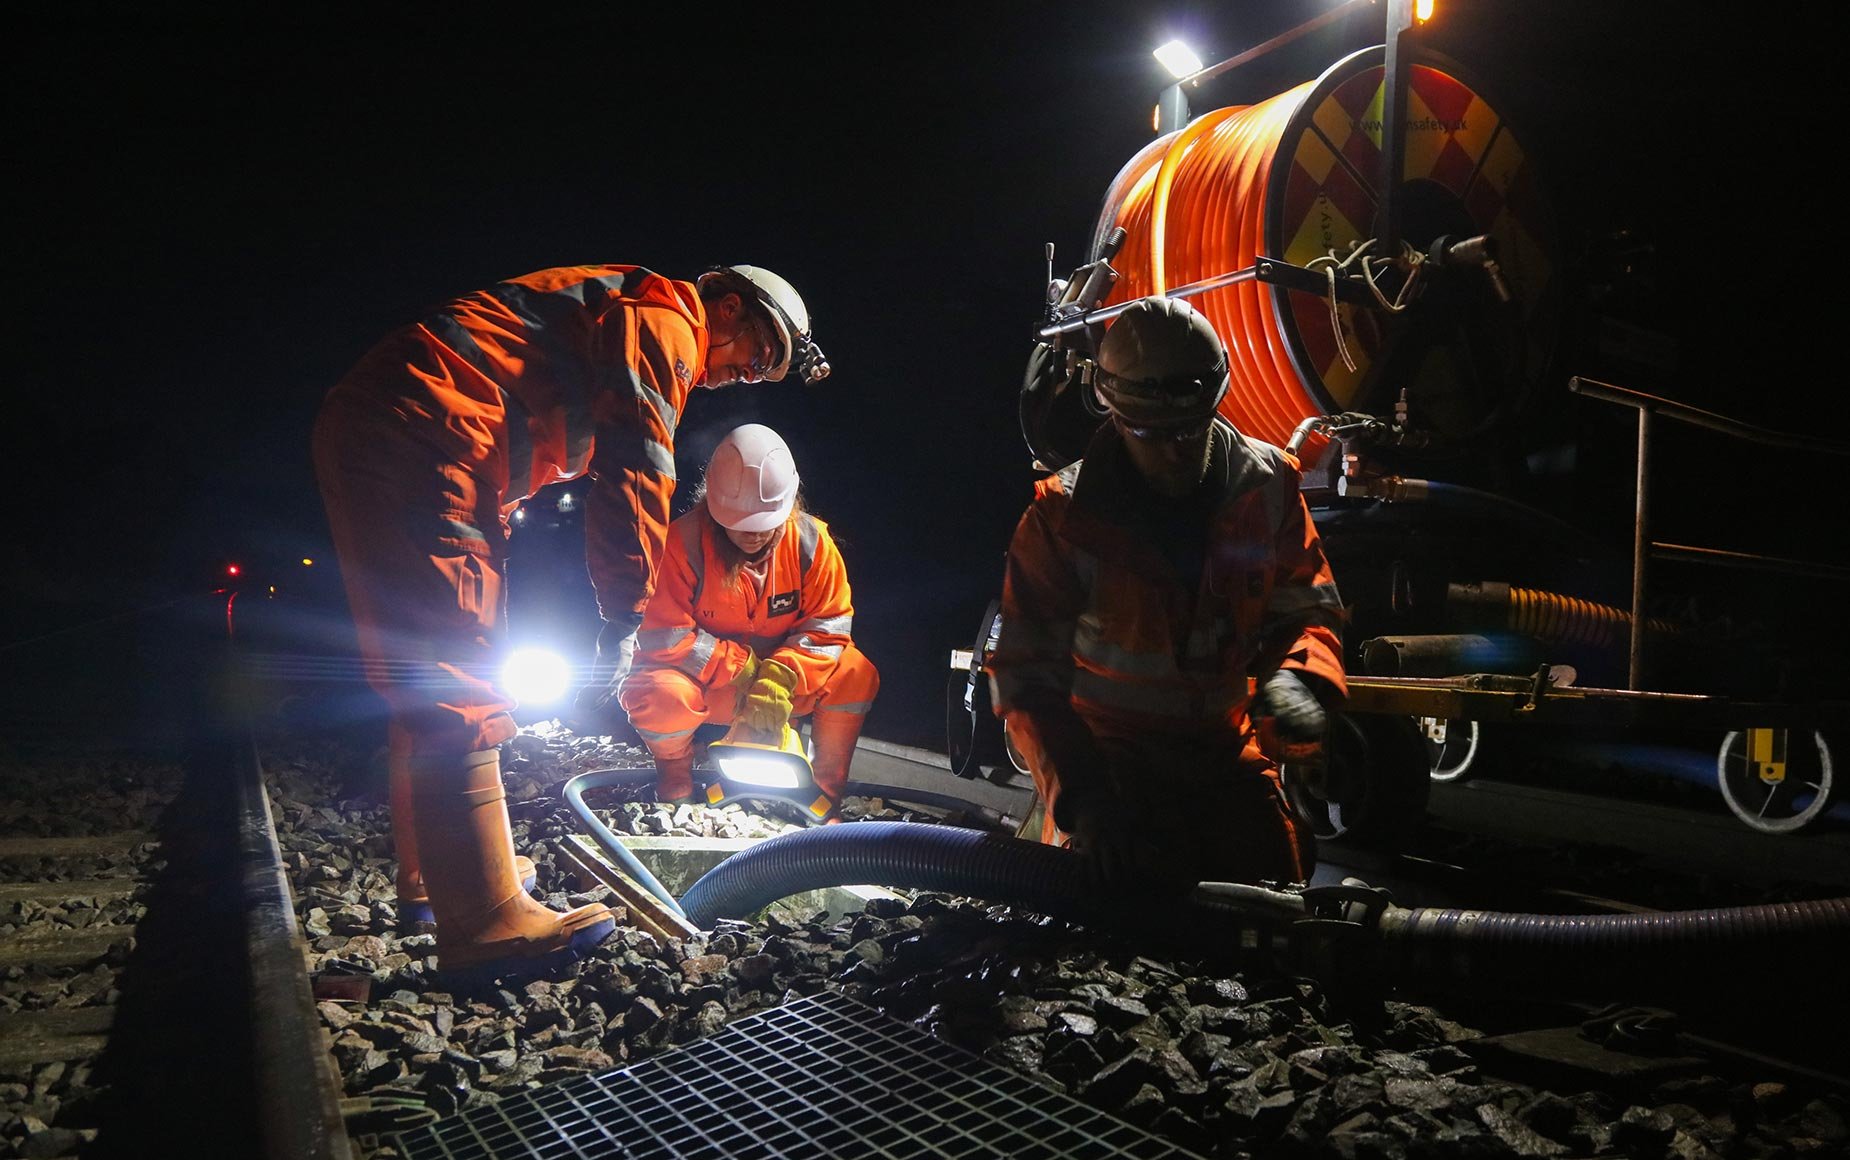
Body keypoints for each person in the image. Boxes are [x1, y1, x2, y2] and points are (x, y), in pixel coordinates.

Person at [312, 263, 828, 975]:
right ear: (731, 308)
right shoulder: (667, 324)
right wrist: (623, 614)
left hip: (408, 427)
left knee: (428, 673)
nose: (748, 374)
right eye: (759, 353)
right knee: (458, 673)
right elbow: (637, 469)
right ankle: (486, 921)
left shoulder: (632, 310)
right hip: (435, 435)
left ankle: (437, 876)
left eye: (766, 372)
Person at [985, 296, 1345, 888]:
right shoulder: (1064, 518)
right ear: (1113, 409)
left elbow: (1307, 608)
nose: (1175, 449)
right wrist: (1085, 802)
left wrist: (1298, 678)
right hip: (1110, 766)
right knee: (1108, 915)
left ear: (1214, 401)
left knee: (1274, 893)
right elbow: (1026, 677)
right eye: (1150, 431)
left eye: (1189, 428)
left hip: (1224, 756)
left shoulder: (1268, 488)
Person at [620, 424, 878, 815]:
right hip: (714, 686)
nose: (753, 535)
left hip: (783, 688)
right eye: (740, 525)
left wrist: (781, 675)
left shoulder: (812, 543)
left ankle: (824, 797)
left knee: (856, 673)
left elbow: (829, 627)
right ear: (714, 506)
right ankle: (675, 780)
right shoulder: (680, 545)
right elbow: (666, 636)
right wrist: (744, 670)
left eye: (764, 524)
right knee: (659, 695)